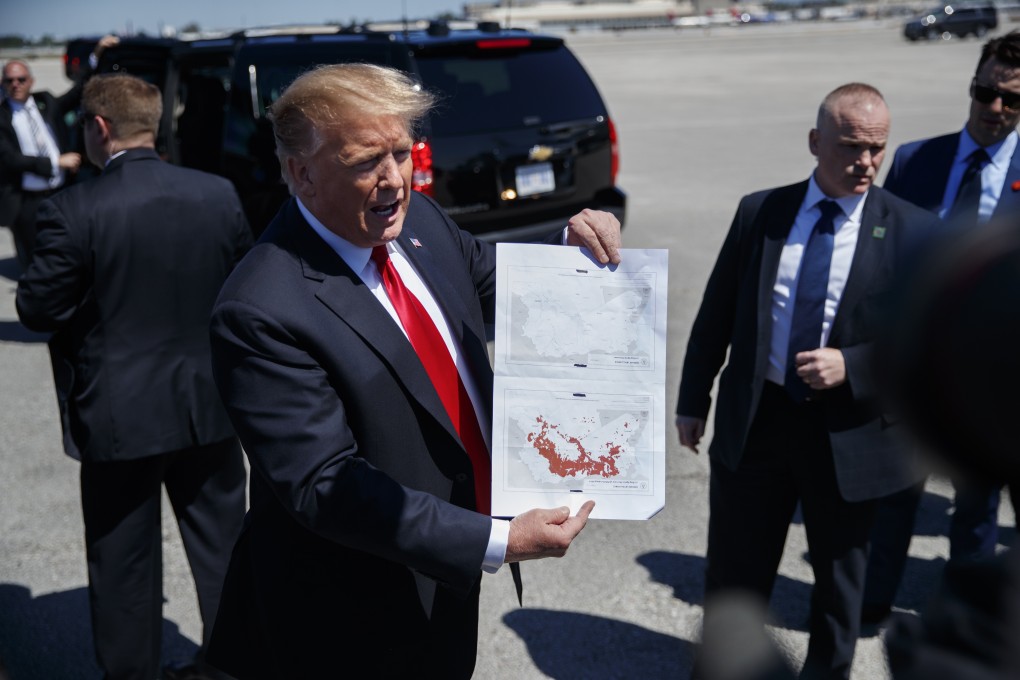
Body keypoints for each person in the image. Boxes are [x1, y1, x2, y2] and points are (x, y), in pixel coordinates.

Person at [204, 63, 619, 679]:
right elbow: (326, 485)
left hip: (443, 582)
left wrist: (569, 246)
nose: (394, 179)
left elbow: (485, 276)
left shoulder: (416, 221)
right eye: (367, 161)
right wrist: (496, 540)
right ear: (302, 173)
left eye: (402, 151)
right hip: (350, 614)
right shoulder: (261, 308)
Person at [675, 83, 931, 679]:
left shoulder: (910, 229)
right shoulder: (761, 211)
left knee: (840, 589)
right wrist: (694, 399)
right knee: (735, 574)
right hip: (759, 421)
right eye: (850, 146)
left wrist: (856, 365)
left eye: (877, 149)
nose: (866, 162)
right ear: (816, 141)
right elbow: (717, 313)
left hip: (850, 435)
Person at [15, 74, 251, 680]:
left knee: (123, 568)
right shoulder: (217, 194)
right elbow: (243, 293)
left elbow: (38, 309)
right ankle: (235, 665)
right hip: (210, 409)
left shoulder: (74, 207)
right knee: (226, 554)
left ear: (98, 129)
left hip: (120, 420)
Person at [863, 30, 1020, 625]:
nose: (995, 108)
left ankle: (965, 612)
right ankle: (873, 601)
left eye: (1012, 99)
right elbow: (880, 258)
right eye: (986, 92)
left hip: (992, 377)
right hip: (910, 361)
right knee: (893, 496)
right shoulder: (915, 161)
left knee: (976, 506)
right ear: (972, 87)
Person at [0, 35, 117, 268]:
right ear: (3, 84)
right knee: (36, 257)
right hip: (27, 201)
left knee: (70, 246)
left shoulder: (46, 102)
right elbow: (9, 159)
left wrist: (97, 54)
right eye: (9, 80)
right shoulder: (1, 116)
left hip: (61, 192)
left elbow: (79, 90)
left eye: (21, 79)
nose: (16, 84)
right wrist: (56, 162)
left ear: (30, 81)